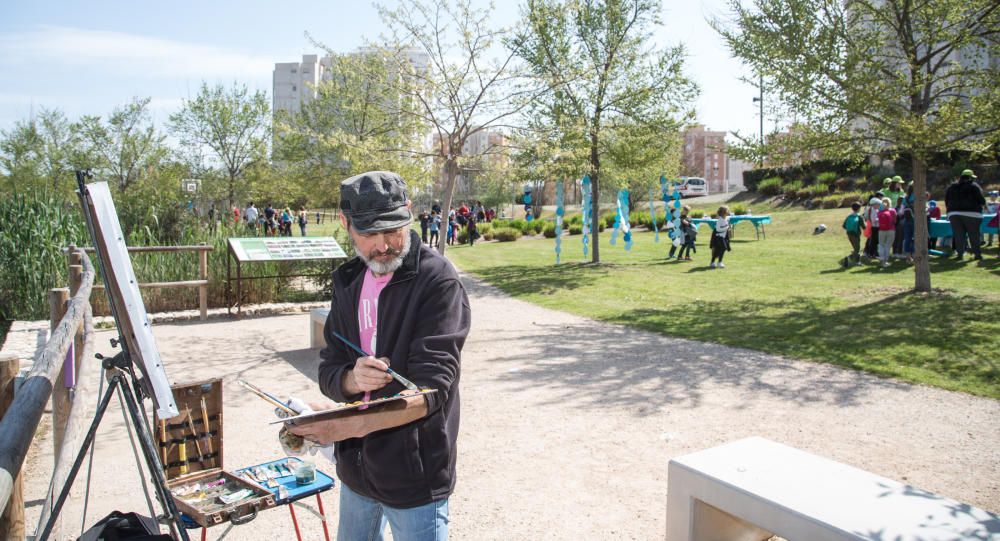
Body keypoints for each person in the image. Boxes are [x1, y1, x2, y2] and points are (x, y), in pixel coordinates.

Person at [289, 171, 471, 541]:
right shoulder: (348, 281)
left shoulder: (437, 281)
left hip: (414, 475)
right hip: (356, 471)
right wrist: (351, 379)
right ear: (346, 224)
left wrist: (342, 427)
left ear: (408, 211)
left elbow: (432, 391)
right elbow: (329, 368)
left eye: (393, 230)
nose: (384, 245)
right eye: (370, 234)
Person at [944, 169, 986, 261]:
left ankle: (960, 254)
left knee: (959, 235)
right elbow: (981, 200)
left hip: (953, 213)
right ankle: (977, 254)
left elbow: (946, 201)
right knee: (974, 235)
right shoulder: (974, 186)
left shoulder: (951, 187)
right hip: (972, 214)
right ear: (970, 178)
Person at [842, 202, 865, 266]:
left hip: (849, 233)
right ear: (859, 208)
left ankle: (858, 262)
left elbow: (844, 226)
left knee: (856, 249)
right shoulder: (859, 216)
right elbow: (864, 227)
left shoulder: (849, 216)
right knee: (857, 249)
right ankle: (848, 258)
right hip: (856, 234)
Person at [877, 197, 897, 268]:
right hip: (891, 230)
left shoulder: (879, 212)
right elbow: (895, 221)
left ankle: (882, 259)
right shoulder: (893, 210)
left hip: (881, 230)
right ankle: (885, 261)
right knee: (888, 246)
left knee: (881, 245)